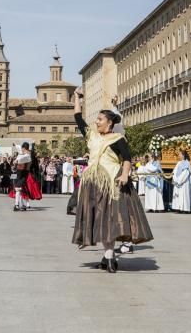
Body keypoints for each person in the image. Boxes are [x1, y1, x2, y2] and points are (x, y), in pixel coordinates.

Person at [71, 91, 152, 273]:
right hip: (92, 183)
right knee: (100, 220)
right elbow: (77, 117)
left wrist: (124, 175)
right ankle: (108, 256)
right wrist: (78, 98)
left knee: (110, 219)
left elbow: (127, 158)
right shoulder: (92, 136)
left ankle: (109, 256)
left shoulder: (118, 139)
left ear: (109, 122)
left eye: (100, 119)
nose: (96, 122)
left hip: (112, 183)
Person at [12, 143, 32, 212]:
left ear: (24, 148)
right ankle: (21, 204)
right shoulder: (23, 152)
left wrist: (16, 161)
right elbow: (19, 149)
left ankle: (17, 204)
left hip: (23, 173)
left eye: (22, 149)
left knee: (18, 188)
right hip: (19, 172)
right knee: (19, 189)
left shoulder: (28, 155)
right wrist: (15, 144)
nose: (21, 150)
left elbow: (23, 158)